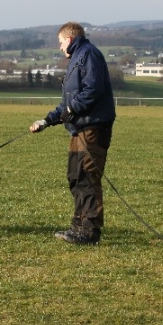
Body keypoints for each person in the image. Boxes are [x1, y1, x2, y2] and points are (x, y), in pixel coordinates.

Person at [30, 22, 116, 245]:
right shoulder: (76, 60)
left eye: (60, 42)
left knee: (87, 178)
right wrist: (46, 120)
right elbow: (67, 103)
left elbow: (92, 90)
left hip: (93, 128)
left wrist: (71, 109)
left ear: (69, 39)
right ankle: (78, 227)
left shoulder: (89, 55)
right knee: (76, 177)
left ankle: (89, 231)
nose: (59, 48)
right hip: (79, 129)